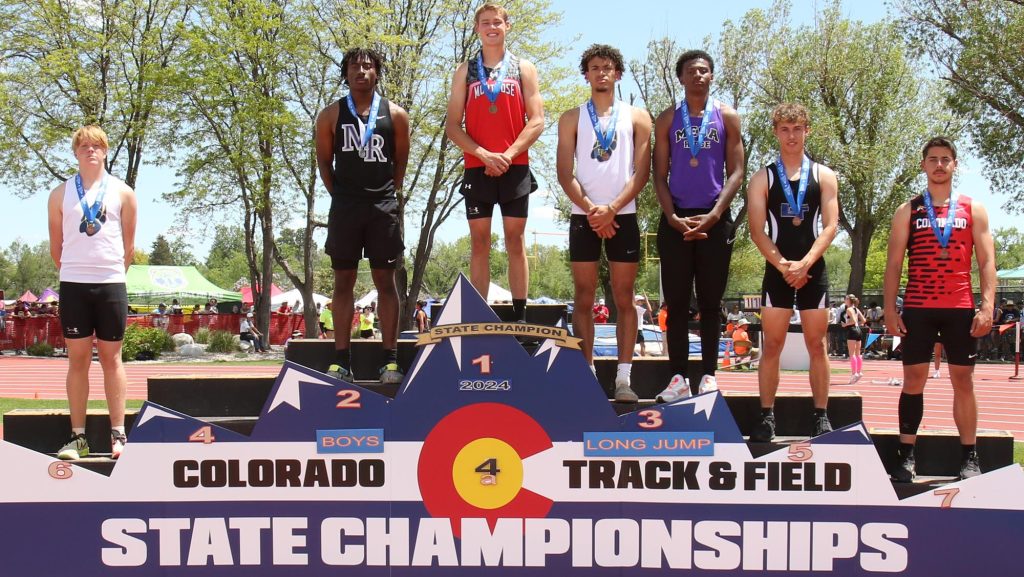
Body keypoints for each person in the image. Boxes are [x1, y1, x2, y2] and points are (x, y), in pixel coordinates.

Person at [884, 136, 996, 481]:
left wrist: (987, 305)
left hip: (960, 307)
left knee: (963, 381)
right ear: (923, 165)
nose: (939, 165)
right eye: (932, 159)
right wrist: (890, 308)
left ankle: (969, 457)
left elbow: (987, 260)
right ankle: (906, 456)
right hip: (918, 306)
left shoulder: (973, 209)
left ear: (955, 165)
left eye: (945, 159)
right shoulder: (909, 210)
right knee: (913, 380)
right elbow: (893, 264)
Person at [556, 43, 651, 400]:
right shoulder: (570, 118)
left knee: (624, 298)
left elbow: (642, 172)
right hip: (584, 216)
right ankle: (588, 374)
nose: (601, 73)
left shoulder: (638, 117)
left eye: (607, 67)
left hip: (622, 215)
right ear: (586, 74)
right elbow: (565, 172)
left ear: (618, 74)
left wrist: (612, 208)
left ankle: (624, 378)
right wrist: (594, 210)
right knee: (583, 296)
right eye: (594, 67)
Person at [653, 49, 745, 402]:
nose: (698, 76)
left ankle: (708, 375)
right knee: (675, 305)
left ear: (711, 77)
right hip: (676, 220)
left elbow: (736, 172)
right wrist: (673, 217)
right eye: (691, 71)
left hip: (714, 220)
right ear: (681, 77)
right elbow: (658, 175)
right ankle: (677, 377)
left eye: (704, 70)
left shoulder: (727, 116)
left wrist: (716, 214)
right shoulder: (666, 119)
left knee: (710, 302)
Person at [315, 47, 410, 384]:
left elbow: (400, 162)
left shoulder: (395, 114)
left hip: (383, 206)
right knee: (344, 282)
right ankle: (341, 361)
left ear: (377, 74)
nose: (362, 71)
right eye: (355, 66)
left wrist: (386, 194)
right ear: (346, 73)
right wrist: (341, 196)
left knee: (386, 281)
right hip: (346, 207)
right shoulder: (330, 115)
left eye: (368, 66)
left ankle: (390, 360)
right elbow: (325, 163)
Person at [744, 103, 839, 441]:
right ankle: (767, 417)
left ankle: (821, 416)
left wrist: (805, 263)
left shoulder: (824, 176)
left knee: (818, 344)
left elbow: (830, 226)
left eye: (797, 128)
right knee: (772, 345)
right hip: (778, 271)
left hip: (813, 269)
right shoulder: (762, 178)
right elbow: (757, 231)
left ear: (807, 131)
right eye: (784, 129)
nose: (791, 135)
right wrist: (784, 264)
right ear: (776, 132)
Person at [445, 2, 544, 321]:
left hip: (514, 166)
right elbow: (451, 125)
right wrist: (484, 154)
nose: (491, 27)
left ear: (507, 26)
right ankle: (478, 315)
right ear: (477, 28)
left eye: (497, 22)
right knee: (480, 242)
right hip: (478, 167)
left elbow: (538, 120)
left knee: (515, 239)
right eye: (485, 22)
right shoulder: (465, 71)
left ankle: (520, 314)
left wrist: (508, 154)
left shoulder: (524, 68)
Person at [47, 125, 137, 460]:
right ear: (75, 152)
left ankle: (118, 435)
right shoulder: (59, 194)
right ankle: (78, 437)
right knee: (78, 361)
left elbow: (128, 248)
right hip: (73, 285)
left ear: (106, 151)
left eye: (97, 146)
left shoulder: (123, 192)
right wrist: (76, 271)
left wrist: (108, 272)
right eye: (84, 146)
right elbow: (56, 248)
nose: (90, 151)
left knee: (113, 360)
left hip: (111, 284)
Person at [842, 295, 867, 384]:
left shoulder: (849, 309)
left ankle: (854, 373)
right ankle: (859, 372)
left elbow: (852, 321)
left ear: (849, 300)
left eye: (845, 299)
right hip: (858, 331)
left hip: (852, 331)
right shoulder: (856, 309)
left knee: (851, 353)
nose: (844, 300)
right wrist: (857, 324)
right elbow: (864, 320)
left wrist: (845, 324)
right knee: (858, 353)